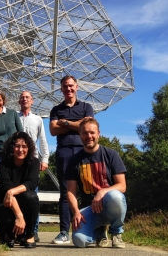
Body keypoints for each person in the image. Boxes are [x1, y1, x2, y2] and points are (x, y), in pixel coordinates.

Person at [66, 118, 127, 249]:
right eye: (85, 133)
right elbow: (70, 191)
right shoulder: (74, 161)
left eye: (92, 133)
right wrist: (76, 212)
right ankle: (100, 231)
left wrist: (102, 191)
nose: (89, 136)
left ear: (98, 133)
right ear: (80, 135)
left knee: (115, 196)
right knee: (79, 241)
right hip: (89, 209)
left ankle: (116, 232)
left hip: (109, 204)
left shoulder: (111, 155)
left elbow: (122, 186)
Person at [49, 75, 94, 244]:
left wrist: (65, 123)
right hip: (64, 152)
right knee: (66, 192)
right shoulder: (56, 109)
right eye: (65, 86)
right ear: (61, 89)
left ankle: (90, 229)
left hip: (84, 151)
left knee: (88, 190)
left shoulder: (86, 106)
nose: (68, 89)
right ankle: (63, 232)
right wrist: (77, 124)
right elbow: (53, 130)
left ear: (77, 87)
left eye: (71, 86)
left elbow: (87, 127)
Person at [0, 132, 40, 248]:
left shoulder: (34, 162)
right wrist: (19, 216)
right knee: (9, 233)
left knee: (30, 196)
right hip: (7, 204)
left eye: (24, 146)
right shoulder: (3, 165)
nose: (20, 150)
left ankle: (29, 235)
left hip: (24, 202)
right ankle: (10, 235)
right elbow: (6, 188)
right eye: (17, 146)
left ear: (29, 148)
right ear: (11, 147)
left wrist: (12, 192)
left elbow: (31, 183)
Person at [18, 90, 49, 242]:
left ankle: (33, 230)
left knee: (32, 196)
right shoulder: (13, 117)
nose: (25, 99)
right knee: (18, 195)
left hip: (32, 161)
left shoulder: (37, 119)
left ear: (32, 101)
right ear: (19, 101)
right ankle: (20, 230)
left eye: (27, 97)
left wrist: (45, 159)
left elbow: (42, 140)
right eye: (22, 97)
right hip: (16, 161)